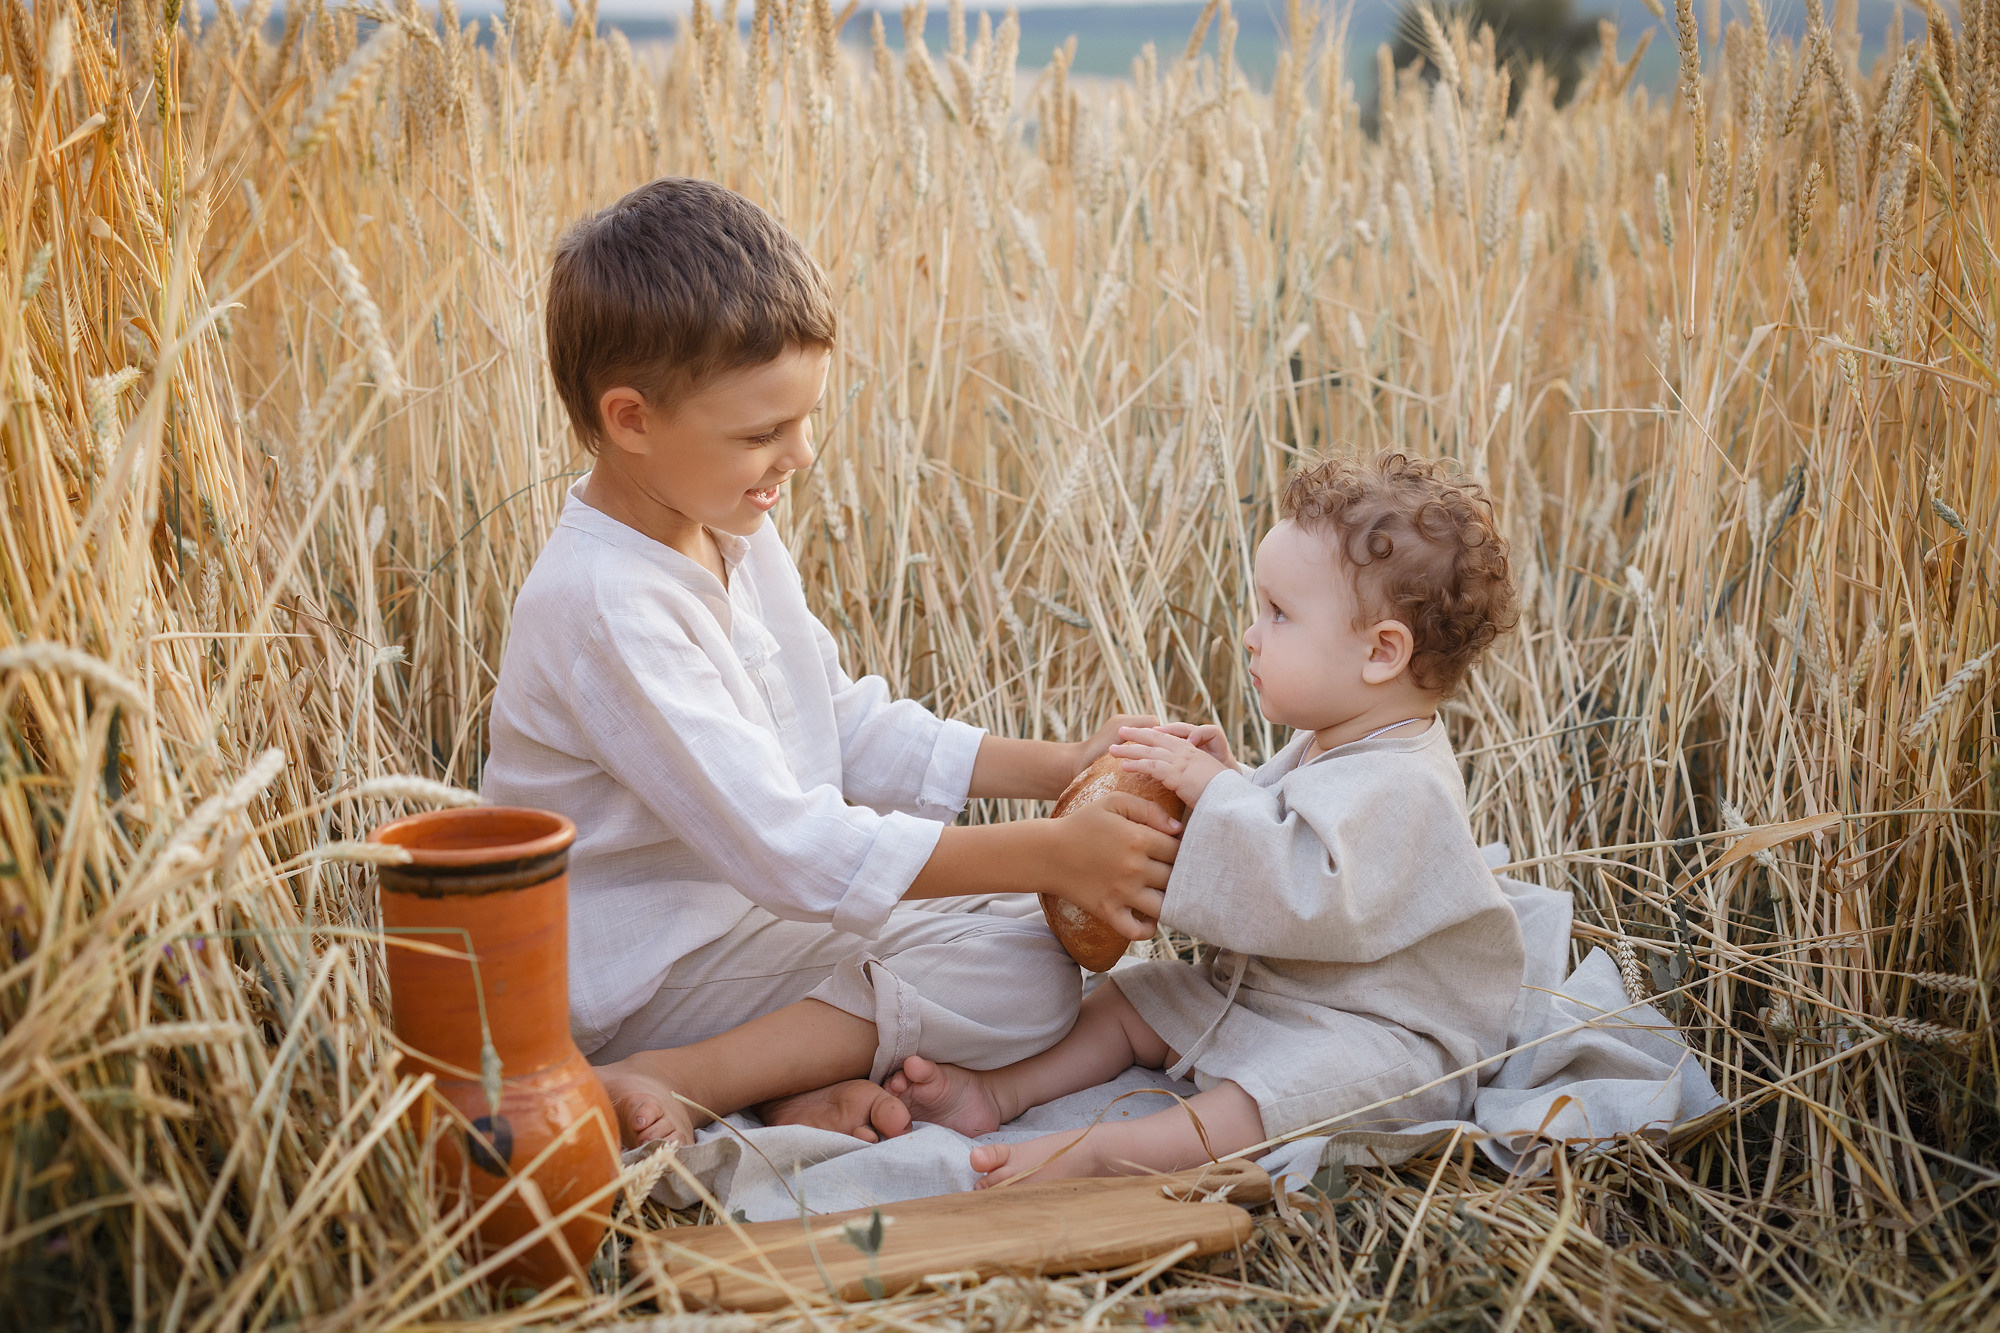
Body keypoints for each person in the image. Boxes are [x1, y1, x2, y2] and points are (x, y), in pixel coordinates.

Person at [481, 178, 1181, 1148]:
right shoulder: (603, 604)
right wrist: (1050, 852)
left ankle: (784, 1085)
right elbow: (789, 847)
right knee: (1023, 975)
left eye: (804, 419)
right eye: (762, 433)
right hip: (643, 979)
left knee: (1028, 942)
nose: (800, 455)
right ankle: (678, 1078)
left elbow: (838, 722)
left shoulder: (725, 522)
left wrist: (1059, 768)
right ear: (632, 419)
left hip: (756, 932)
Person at [887, 453, 1528, 1184]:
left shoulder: (1409, 785)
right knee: (1137, 998)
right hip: (1285, 995)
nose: (1252, 634)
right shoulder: (1338, 737)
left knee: (1280, 1095)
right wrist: (1231, 786)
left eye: (1279, 614)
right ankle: (999, 1093)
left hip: (1378, 1026)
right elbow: (1288, 823)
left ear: (1381, 652)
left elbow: (1307, 892)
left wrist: (1220, 795)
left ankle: (1098, 1154)